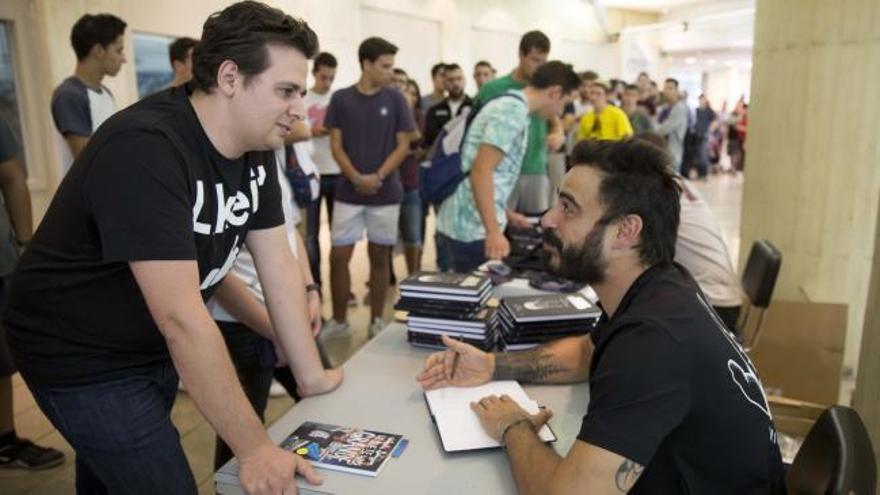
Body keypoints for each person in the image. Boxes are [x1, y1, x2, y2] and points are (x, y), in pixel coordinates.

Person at [3, 3, 336, 493]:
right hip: (77, 349)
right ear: (229, 77)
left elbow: (278, 261)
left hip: (143, 336)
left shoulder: (255, 146)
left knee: (112, 473)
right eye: (285, 91)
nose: (298, 108)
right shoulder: (146, 146)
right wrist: (255, 447)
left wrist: (311, 376)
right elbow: (182, 318)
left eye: (301, 92)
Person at [418, 138, 785, 493]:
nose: (548, 220)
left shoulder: (654, 342)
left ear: (626, 231)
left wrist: (513, 427)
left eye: (568, 208)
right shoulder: (663, 286)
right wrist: (492, 365)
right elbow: (587, 352)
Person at [209, 137, 343, 471]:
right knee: (242, 434)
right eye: (286, 92)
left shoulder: (266, 156)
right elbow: (219, 279)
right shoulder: (212, 170)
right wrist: (280, 331)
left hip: (289, 315)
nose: (299, 110)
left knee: (324, 407)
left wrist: (310, 289)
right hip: (243, 323)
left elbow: (289, 231)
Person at [435, 61, 580, 273]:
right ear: (555, 92)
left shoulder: (511, 104)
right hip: (468, 230)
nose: (559, 111)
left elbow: (492, 172)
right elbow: (481, 169)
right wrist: (493, 231)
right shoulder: (512, 112)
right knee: (466, 301)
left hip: (469, 224)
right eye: (565, 102)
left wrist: (506, 213)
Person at [324, 37, 414, 339]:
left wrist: (377, 176)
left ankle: (377, 318)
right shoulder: (340, 99)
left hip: (385, 194)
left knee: (380, 258)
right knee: (338, 257)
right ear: (366, 64)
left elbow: (404, 145)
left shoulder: (397, 99)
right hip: (348, 193)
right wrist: (355, 178)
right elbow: (335, 144)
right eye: (385, 66)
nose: (391, 72)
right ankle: (338, 321)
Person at [0, 119, 65, 470]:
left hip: (1, 259)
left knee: (1, 360)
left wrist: (24, 243)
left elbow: (11, 175)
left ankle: (4, 439)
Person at [476, 30, 565, 216]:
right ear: (521, 55)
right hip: (499, 171)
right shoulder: (493, 89)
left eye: (543, 61)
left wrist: (557, 134)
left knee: (533, 231)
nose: (539, 66)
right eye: (535, 60)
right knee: (499, 226)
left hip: (535, 169)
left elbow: (555, 122)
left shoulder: (544, 90)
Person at [51, 13, 126, 171]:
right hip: (85, 193)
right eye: (119, 51)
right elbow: (88, 159)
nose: (123, 58)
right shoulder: (69, 95)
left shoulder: (105, 93)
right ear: (99, 51)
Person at [303, 51, 339, 289]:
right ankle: (316, 286)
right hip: (311, 174)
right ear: (315, 73)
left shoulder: (338, 100)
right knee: (311, 237)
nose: (327, 83)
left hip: (337, 172)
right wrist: (312, 132)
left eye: (331, 78)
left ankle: (340, 288)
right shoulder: (303, 98)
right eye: (324, 77)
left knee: (339, 236)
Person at [398, 79, 425, 274]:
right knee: (384, 239)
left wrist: (406, 111)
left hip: (410, 183)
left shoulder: (419, 116)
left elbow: (416, 140)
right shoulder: (389, 115)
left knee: (413, 236)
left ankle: (413, 277)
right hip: (388, 184)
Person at [423, 63, 473, 148]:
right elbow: (431, 138)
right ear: (445, 82)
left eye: (459, 79)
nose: (456, 83)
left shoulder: (474, 106)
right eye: (451, 80)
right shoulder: (434, 111)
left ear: (464, 80)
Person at [655, 78, 688, 172]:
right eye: (665, 88)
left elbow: (662, 130)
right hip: (660, 153)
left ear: (677, 91)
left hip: (672, 156)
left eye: (670, 88)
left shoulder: (679, 108)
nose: (667, 91)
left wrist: (653, 126)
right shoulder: (664, 108)